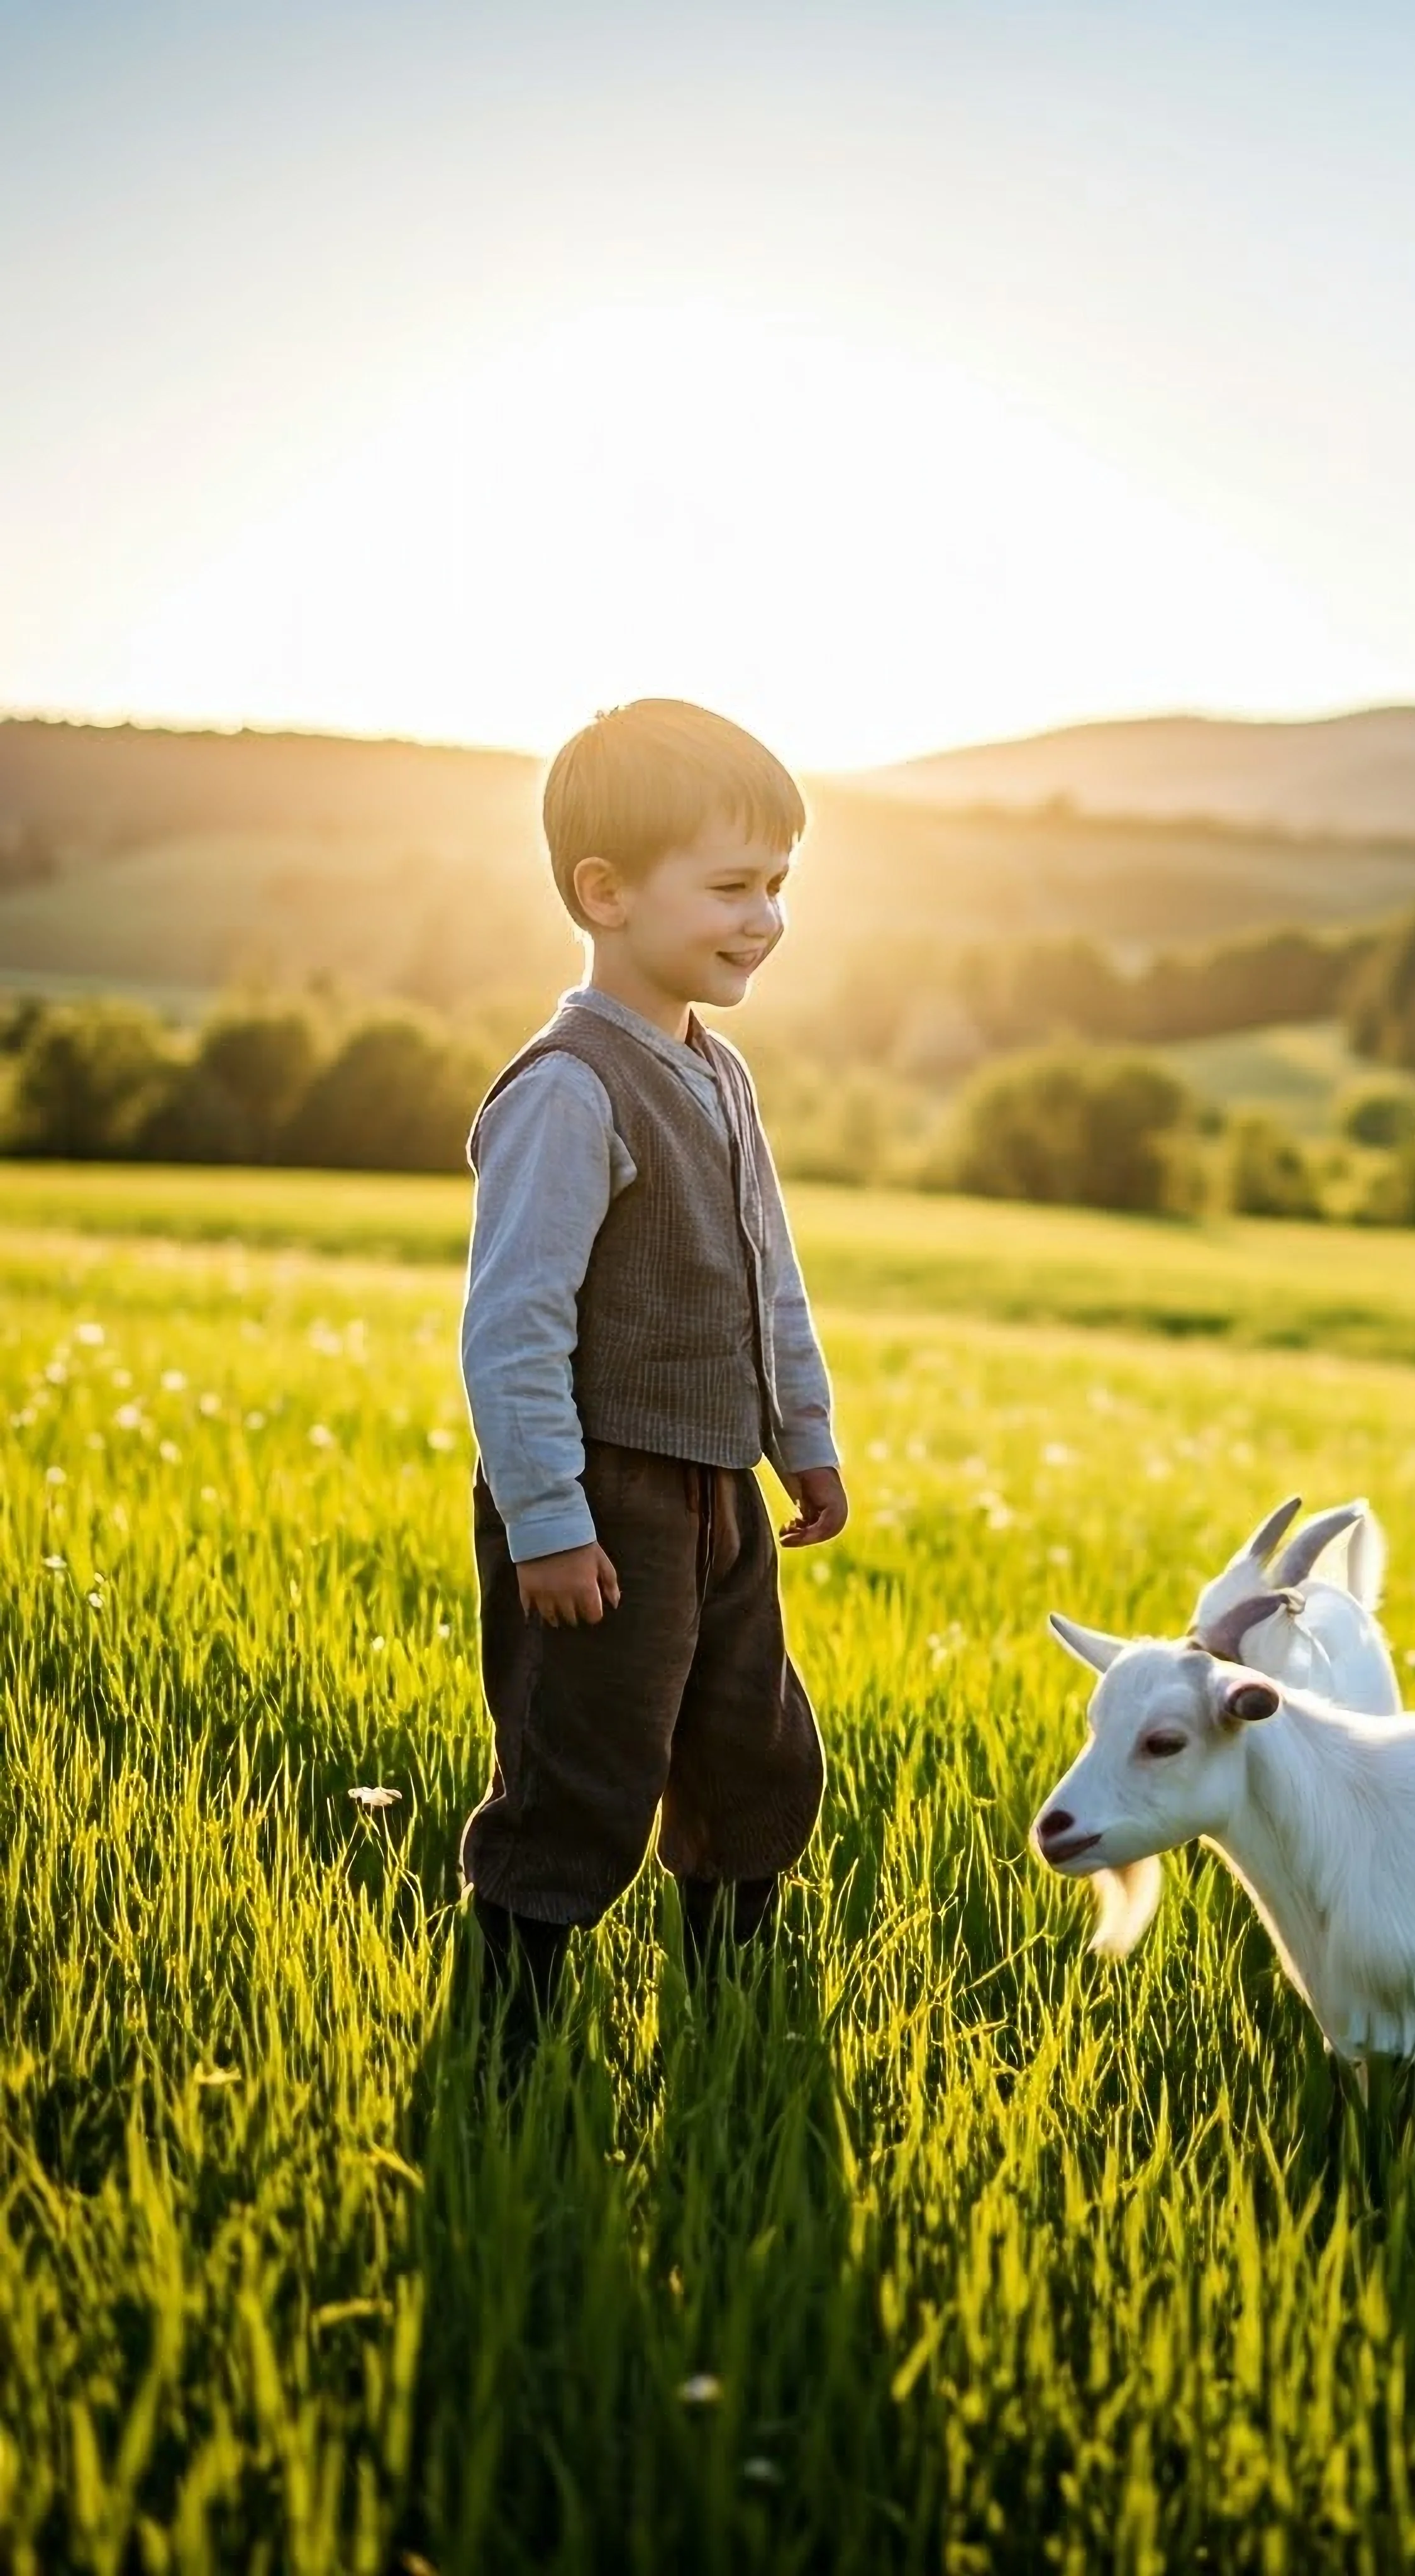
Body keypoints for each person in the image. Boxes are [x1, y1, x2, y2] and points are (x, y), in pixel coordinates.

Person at [457, 697, 848, 2055]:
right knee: (584, 1765)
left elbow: (767, 1273)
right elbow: (511, 1328)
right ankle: (508, 2044)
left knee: (752, 1748)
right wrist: (549, 1523)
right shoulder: (567, 1088)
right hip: (603, 1498)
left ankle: (730, 2014)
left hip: (717, 1491)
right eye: (734, 886)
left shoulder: (718, 1072)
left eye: (779, 886)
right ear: (604, 891)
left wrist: (803, 1431)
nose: (767, 917)